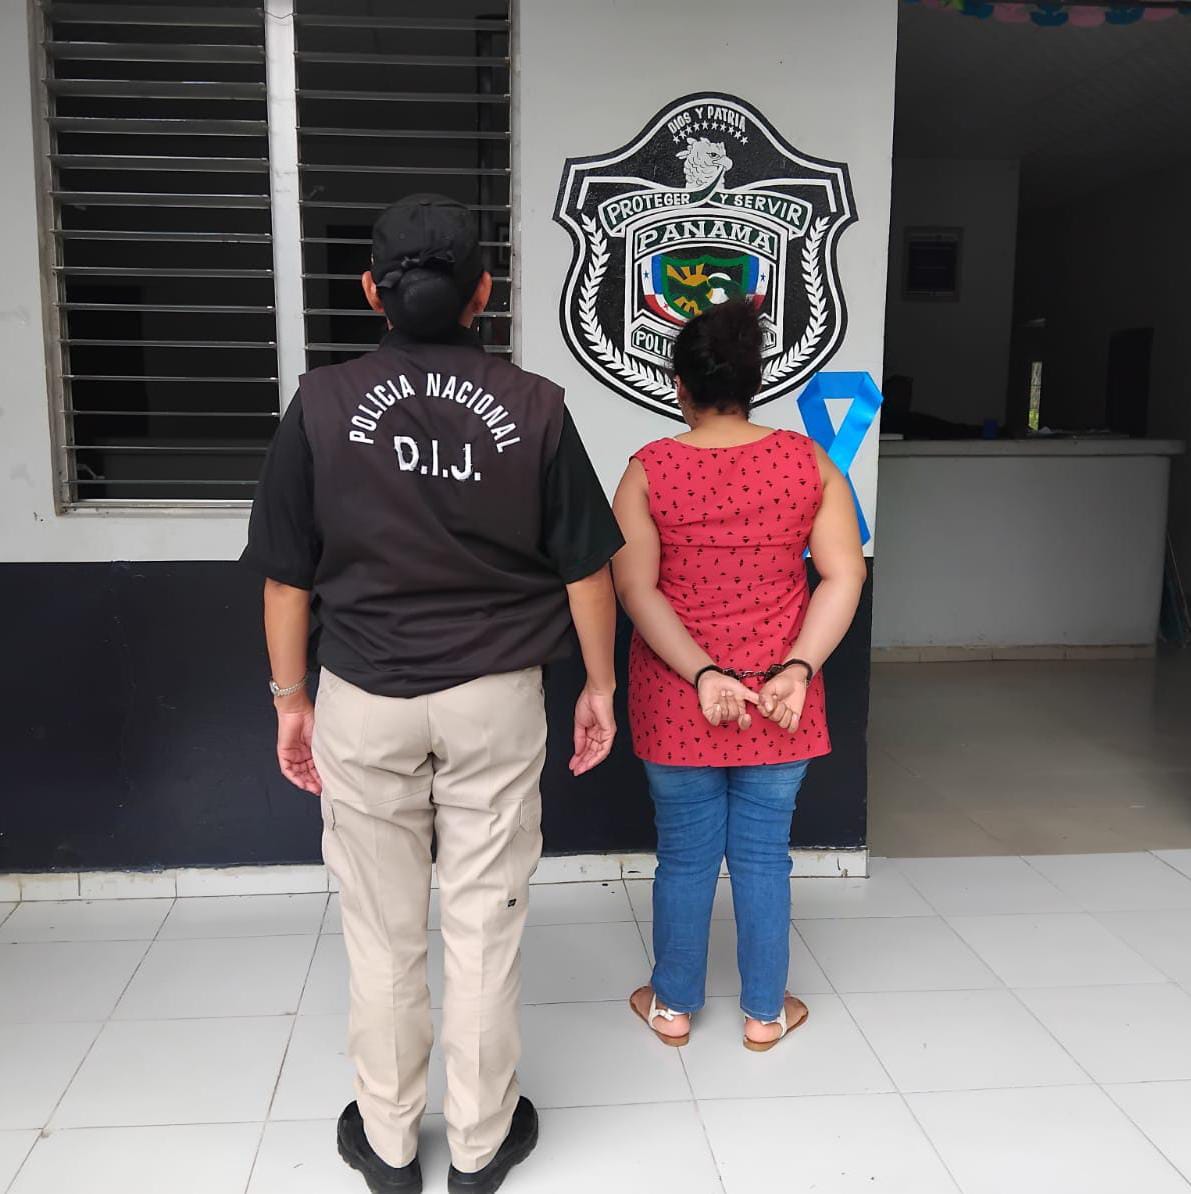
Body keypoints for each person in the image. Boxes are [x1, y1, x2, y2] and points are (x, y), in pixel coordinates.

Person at [242, 194, 623, 1194]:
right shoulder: (536, 406)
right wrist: (600, 683)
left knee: (381, 931)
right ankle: (483, 1146)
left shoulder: (320, 405)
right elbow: (587, 569)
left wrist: (291, 699)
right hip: (495, 696)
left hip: (363, 694)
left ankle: (390, 1143)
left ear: (371, 291)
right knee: (485, 923)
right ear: (482, 293)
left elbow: (285, 582)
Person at [612, 301, 866, 1052]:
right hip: (780, 698)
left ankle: (672, 1007)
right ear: (754, 383)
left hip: (676, 697)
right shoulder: (808, 462)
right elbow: (844, 576)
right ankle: (764, 1012)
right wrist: (798, 668)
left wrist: (701, 673)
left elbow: (636, 590)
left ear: (679, 385)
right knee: (762, 857)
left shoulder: (648, 469)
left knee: (684, 857)